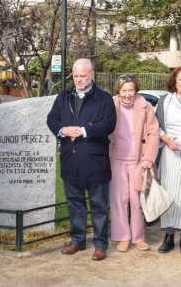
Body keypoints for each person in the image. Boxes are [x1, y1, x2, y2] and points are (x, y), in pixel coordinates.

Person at [47, 58, 116, 261]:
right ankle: (77, 240)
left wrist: (85, 131)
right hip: (71, 160)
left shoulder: (104, 98)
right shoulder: (64, 96)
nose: (79, 80)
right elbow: (52, 119)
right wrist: (62, 129)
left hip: (95, 161)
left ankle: (100, 244)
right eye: (76, 76)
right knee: (75, 203)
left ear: (92, 74)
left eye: (83, 75)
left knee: (99, 205)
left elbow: (109, 124)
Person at [109, 74, 159, 253]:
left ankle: (138, 237)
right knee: (118, 200)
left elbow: (154, 133)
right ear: (118, 90)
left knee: (136, 200)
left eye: (131, 90)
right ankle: (123, 237)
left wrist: (149, 157)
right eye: (124, 90)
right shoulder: (111, 104)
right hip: (116, 159)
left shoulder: (145, 106)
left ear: (136, 90)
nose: (127, 94)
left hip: (139, 160)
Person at [156, 66, 181, 255]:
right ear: (174, 81)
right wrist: (166, 139)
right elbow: (155, 126)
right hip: (170, 154)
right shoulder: (164, 101)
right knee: (169, 194)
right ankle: (168, 235)